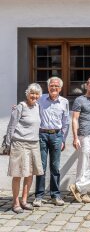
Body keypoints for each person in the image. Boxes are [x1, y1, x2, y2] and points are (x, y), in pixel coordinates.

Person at [5, 83, 44, 213]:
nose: (34, 96)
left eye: (36, 94)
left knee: (30, 174)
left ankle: (24, 200)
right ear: (27, 94)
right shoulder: (20, 107)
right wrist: (8, 144)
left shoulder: (38, 106)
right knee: (18, 174)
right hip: (19, 143)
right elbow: (11, 126)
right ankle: (15, 202)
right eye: (32, 93)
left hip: (34, 144)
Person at [34, 77, 70, 207]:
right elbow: (30, 104)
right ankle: (38, 196)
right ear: (48, 87)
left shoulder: (64, 102)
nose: (53, 88)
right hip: (42, 135)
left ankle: (55, 195)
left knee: (55, 167)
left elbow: (66, 122)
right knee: (41, 167)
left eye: (56, 86)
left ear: (60, 88)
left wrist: (63, 139)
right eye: (51, 85)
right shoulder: (40, 98)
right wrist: (19, 108)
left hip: (56, 135)